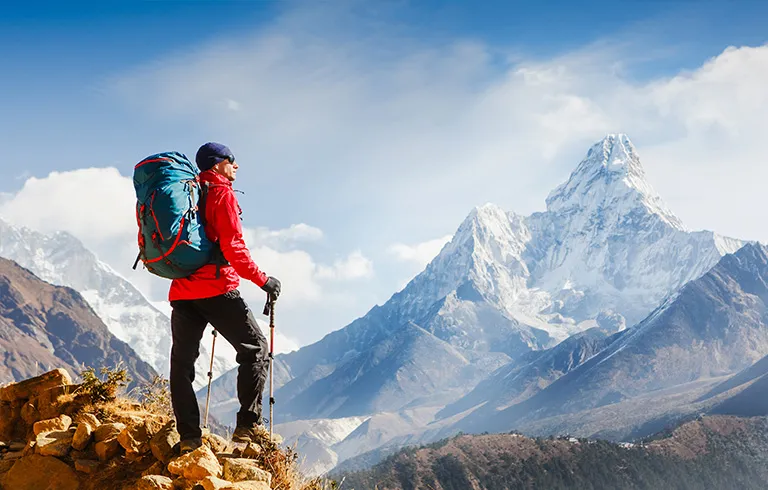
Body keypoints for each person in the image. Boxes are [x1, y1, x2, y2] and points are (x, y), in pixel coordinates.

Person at [168, 142, 281, 454]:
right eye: (232, 160)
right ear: (218, 164)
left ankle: (189, 437)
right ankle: (247, 428)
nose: (236, 166)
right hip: (217, 290)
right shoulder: (221, 193)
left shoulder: (185, 192)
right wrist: (264, 280)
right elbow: (233, 246)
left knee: (182, 366)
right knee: (255, 349)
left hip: (181, 291)